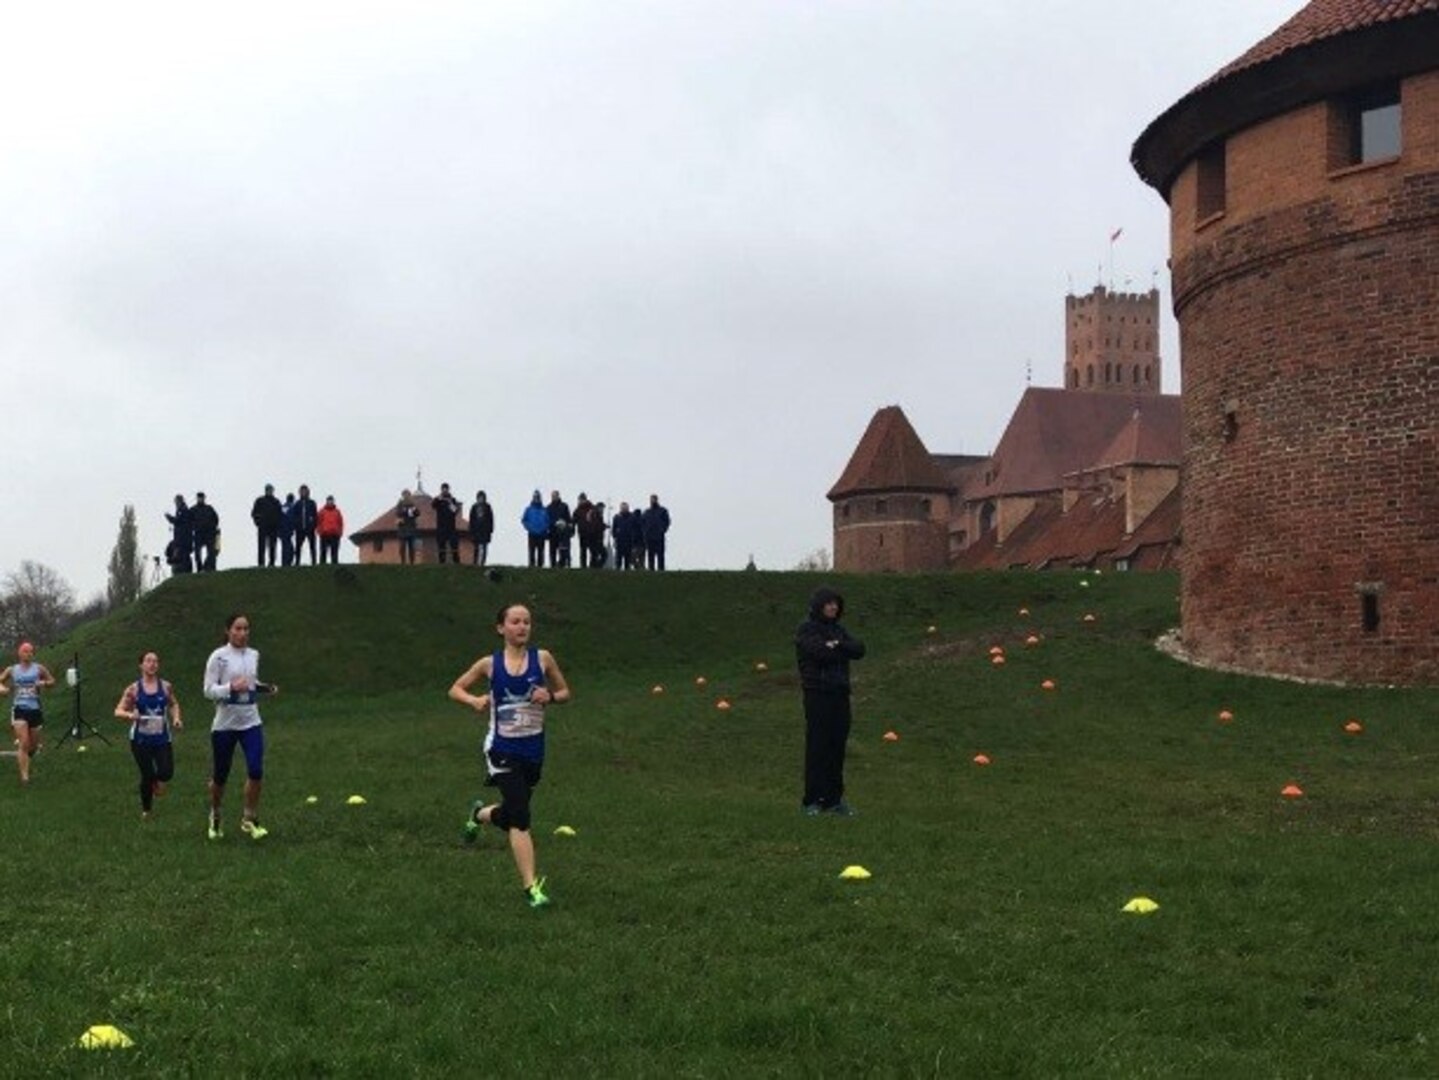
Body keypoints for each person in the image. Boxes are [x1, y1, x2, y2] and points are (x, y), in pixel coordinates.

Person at [448, 603, 572, 909]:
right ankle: (531, 887)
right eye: (515, 622)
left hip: (533, 749)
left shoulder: (542, 659)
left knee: (514, 812)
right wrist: (474, 700)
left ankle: (478, 815)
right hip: (501, 748)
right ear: (501, 628)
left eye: (527, 622)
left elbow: (566, 692)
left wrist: (551, 697)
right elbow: (455, 688)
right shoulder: (489, 664)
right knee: (520, 815)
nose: (522, 627)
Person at [203, 613, 277, 840]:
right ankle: (215, 814)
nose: (243, 633)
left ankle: (249, 818)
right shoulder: (218, 657)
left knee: (256, 770)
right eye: (238, 628)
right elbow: (207, 690)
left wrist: (265, 688)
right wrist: (230, 687)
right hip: (225, 724)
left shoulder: (254, 655)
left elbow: (251, 682)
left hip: (250, 722)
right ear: (228, 630)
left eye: (246, 629)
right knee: (220, 776)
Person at [794, 586, 865, 816]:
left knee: (837, 746)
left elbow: (859, 649)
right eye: (829, 603)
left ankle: (834, 800)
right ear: (819, 606)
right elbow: (819, 653)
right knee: (818, 747)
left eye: (836, 603)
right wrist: (836, 648)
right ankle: (812, 800)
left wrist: (839, 645)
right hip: (818, 693)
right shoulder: (807, 629)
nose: (833, 607)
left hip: (839, 693)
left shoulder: (839, 630)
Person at [113, 651, 183, 819]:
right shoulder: (133, 689)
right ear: (141, 665)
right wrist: (130, 715)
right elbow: (118, 711)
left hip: (162, 738)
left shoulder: (166, 686)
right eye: (148, 661)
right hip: (140, 740)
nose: (153, 664)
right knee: (147, 774)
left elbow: (173, 704)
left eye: (156, 661)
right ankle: (147, 810)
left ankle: (156, 783)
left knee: (166, 772)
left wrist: (176, 718)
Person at [0, 642, 56, 785]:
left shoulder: (39, 668)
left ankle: (28, 752)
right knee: (24, 742)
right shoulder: (12, 670)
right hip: (19, 708)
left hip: (35, 709)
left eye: (30, 651)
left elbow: (52, 681)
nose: (28, 654)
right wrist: (3, 690)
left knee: (33, 746)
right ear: (19, 653)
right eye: (25, 651)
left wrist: (43, 684)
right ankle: (25, 778)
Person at [251, 484, 283, 567]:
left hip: (273, 527)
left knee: (273, 546)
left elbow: (280, 514)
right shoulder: (260, 500)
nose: (269, 491)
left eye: (271, 490)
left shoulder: (276, 502)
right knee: (261, 546)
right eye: (268, 490)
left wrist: (277, 524)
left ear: (273, 491)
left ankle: (272, 563)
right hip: (263, 527)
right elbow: (254, 513)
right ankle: (261, 563)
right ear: (265, 490)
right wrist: (258, 523)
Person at [432, 483, 462, 564]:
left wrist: (450, 503)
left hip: (451, 526)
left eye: (446, 489)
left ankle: (456, 562)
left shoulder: (452, 500)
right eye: (443, 489)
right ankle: (442, 562)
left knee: (454, 544)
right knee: (441, 545)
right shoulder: (438, 500)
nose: (444, 490)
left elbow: (455, 511)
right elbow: (433, 505)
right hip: (441, 526)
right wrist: (439, 498)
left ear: (448, 490)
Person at [165, 494, 194, 574]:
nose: (176, 504)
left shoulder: (183, 510)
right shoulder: (181, 510)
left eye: (176, 502)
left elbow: (178, 521)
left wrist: (170, 518)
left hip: (184, 539)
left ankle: (186, 572)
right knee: (183, 556)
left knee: (184, 557)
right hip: (182, 538)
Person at [641, 494, 671, 571]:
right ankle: (651, 570)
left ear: (657, 500)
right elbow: (642, 523)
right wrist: (645, 532)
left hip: (659, 537)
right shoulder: (647, 512)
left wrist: (662, 530)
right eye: (651, 499)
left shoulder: (663, 511)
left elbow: (667, 522)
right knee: (650, 555)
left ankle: (661, 570)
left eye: (654, 499)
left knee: (660, 554)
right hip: (649, 537)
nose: (652, 501)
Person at [192, 492, 220, 572]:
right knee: (197, 554)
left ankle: (210, 568)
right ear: (197, 498)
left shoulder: (209, 508)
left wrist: (212, 528)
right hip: (198, 534)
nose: (201, 499)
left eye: (202, 497)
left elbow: (216, 519)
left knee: (211, 552)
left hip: (209, 533)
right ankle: (200, 569)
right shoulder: (193, 510)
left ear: (204, 498)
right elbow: (189, 522)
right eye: (199, 497)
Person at [521, 491, 549, 568]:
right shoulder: (528, 509)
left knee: (541, 551)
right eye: (535, 497)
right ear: (533, 498)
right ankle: (531, 565)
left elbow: (547, 521)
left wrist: (544, 528)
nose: (537, 499)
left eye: (538, 497)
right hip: (532, 533)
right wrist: (529, 528)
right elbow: (524, 520)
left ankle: (540, 566)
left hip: (541, 533)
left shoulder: (544, 509)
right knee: (531, 551)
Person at [293, 485, 319, 565]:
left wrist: (313, 525)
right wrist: (296, 525)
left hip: (310, 528)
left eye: (305, 491)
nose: (303, 492)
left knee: (312, 546)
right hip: (300, 529)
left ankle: (314, 562)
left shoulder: (312, 503)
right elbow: (294, 515)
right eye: (302, 491)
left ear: (308, 492)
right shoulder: (297, 503)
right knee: (298, 546)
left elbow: (315, 515)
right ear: (300, 492)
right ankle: (297, 562)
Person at [546, 490, 572, 568]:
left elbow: (568, 519)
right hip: (552, 533)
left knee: (563, 552)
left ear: (558, 496)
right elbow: (547, 520)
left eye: (555, 496)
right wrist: (553, 524)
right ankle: (553, 567)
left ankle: (562, 566)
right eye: (552, 496)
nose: (554, 497)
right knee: (552, 552)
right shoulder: (548, 508)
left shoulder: (564, 506)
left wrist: (566, 526)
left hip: (563, 533)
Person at [468, 491, 494, 567]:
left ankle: (482, 563)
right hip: (476, 530)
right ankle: (475, 562)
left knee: (484, 547)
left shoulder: (488, 507)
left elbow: (491, 519)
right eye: (479, 497)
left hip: (485, 530)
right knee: (476, 547)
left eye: (482, 497)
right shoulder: (474, 507)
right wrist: (471, 529)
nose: (481, 499)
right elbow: (471, 519)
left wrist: (490, 529)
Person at [316, 495, 345, 565]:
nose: (330, 502)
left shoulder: (337, 512)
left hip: (335, 535)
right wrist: (319, 532)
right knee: (323, 551)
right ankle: (322, 564)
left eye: (331, 501)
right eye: (329, 501)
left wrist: (340, 533)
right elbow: (318, 522)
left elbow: (340, 523)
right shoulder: (321, 511)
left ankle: (334, 564)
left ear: (333, 502)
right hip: (324, 534)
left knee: (334, 551)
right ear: (326, 502)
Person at [396, 490, 420, 565]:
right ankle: (403, 562)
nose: (406, 496)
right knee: (402, 546)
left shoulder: (413, 504)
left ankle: (412, 563)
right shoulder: (400, 504)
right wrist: (408, 511)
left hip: (411, 526)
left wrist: (411, 510)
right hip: (403, 527)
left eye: (408, 494)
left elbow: (418, 513)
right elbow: (398, 513)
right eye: (404, 495)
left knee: (411, 546)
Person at [279, 493, 298, 567]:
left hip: (281, 530)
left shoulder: (283, 507)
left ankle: (285, 563)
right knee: (288, 548)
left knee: (286, 547)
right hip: (287, 530)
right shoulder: (292, 507)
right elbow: (291, 519)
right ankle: (286, 564)